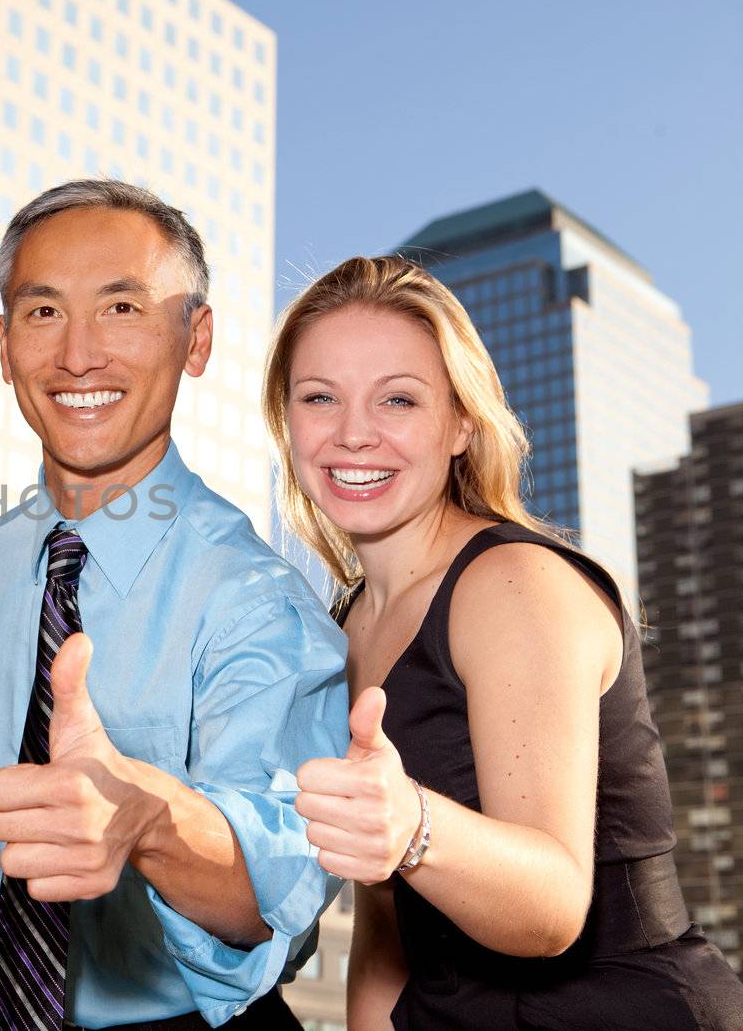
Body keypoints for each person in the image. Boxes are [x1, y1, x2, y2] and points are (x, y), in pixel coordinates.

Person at [0, 180, 350, 1030]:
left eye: (121, 308)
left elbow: (273, 894)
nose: (78, 355)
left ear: (197, 337)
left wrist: (146, 818)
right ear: (4, 347)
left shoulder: (260, 603)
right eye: (42, 313)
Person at [267, 256, 743, 1030]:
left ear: (460, 422)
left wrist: (411, 821)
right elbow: (384, 929)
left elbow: (553, 905)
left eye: (398, 399)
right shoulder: (345, 624)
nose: (353, 433)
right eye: (320, 397)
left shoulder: (514, 583)